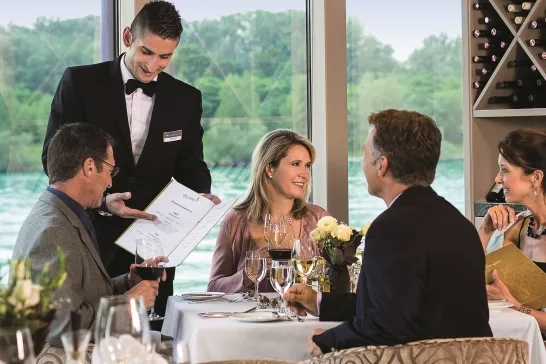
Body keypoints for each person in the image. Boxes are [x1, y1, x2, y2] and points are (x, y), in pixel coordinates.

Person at [41, 0, 219, 323]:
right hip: (92, 243)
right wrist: (105, 201)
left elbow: (192, 167)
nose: (153, 66)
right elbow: (53, 161)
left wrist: (199, 201)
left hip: (154, 251)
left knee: (152, 339)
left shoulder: (186, 99)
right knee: (85, 334)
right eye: (146, 52)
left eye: (165, 57)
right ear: (127, 38)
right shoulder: (79, 84)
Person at [283, 109, 492, 356]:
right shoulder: (459, 223)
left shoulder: (391, 228)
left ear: (382, 165)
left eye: (365, 155)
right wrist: (319, 302)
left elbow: (389, 325)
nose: (363, 164)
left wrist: (329, 340)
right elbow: (405, 306)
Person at [12, 123, 162, 348]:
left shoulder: (62, 212)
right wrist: (130, 303)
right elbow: (59, 326)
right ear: (90, 167)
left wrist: (127, 283)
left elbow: (80, 293)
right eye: (110, 171)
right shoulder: (53, 231)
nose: (110, 182)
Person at [208, 129, 328, 293]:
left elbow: (338, 281)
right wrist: (247, 275)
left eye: (307, 166)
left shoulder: (319, 219)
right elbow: (214, 287)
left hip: (304, 318)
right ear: (269, 169)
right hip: (253, 318)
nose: (305, 174)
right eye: (295, 164)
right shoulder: (235, 221)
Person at [480, 129, 546, 331]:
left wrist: (517, 307)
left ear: (535, 177)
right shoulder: (513, 229)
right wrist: (485, 228)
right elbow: (465, 279)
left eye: (505, 170)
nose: (498, 179)